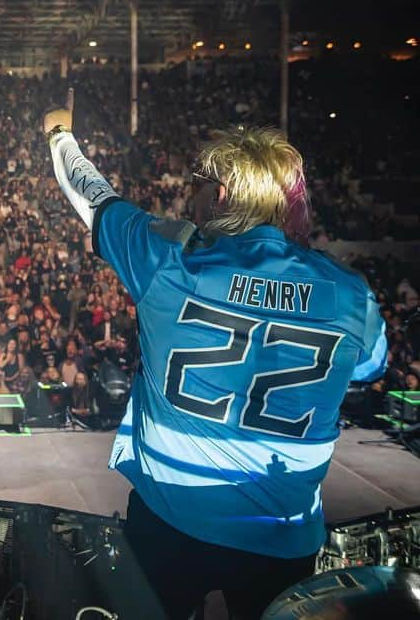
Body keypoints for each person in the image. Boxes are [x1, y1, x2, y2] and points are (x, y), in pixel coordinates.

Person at [44, 101, 388, 619]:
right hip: (283, 533)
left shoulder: (168, 259)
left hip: (170, 521)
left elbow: (92, 196)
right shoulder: (348, 293)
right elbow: (369, 369)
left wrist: (60, 137)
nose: (188, 195)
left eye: (196, 183)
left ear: (221, 194)